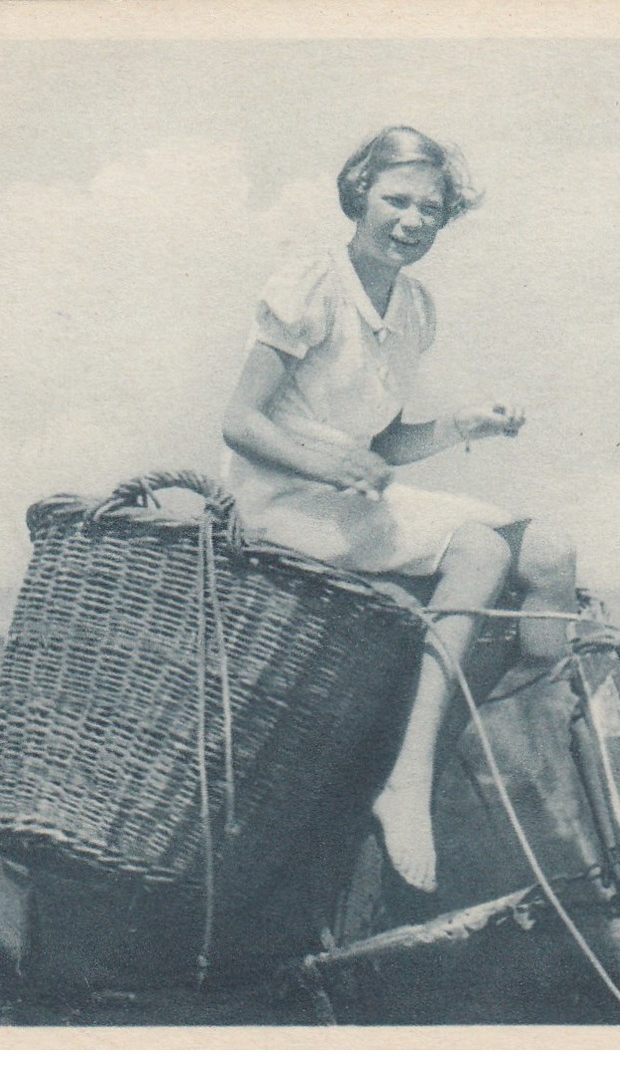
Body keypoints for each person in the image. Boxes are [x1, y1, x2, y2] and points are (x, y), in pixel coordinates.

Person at [221, 126, 579, 893]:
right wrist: (327, 462)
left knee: (548, 548)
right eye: (397, 200)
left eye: (432, 208)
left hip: (351, 495)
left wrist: (463, 425)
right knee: (481, 550)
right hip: (278, 498)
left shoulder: (415, 306)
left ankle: (543, 738)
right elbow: (240, 422)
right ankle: (408, 779)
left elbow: (380, 443)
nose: (413, 220)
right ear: (359, 194)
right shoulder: (308, 283)